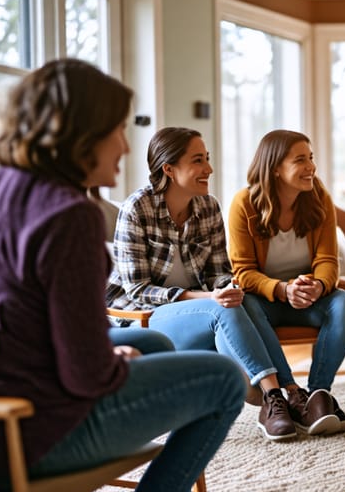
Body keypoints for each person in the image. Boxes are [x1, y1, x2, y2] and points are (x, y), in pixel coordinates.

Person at [0, 59, 245, 492]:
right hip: (24, 435)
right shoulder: (71, 216)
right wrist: (110, 363)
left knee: (154, 345)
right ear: (81, 136)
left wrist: (110, 355)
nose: (125, 147)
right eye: (117, 130)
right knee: (224, 379)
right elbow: (86, 376)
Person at [106, 127, 294, 441]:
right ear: (169, 169)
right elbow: (137, 290)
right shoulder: (136, 209)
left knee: (242, 301)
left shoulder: (208, 207)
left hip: (195, 314)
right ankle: (276, 395)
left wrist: (226, 287)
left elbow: (219, 272)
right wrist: (208, 296)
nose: (208, 169)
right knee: (219, 309)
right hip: (143, 319)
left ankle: (281, 395)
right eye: (198, 161)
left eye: (207, 159)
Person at [227, 129, 345, 439]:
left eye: (310, 158)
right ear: (274, 167)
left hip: (308, 299)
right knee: (242, 302)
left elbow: (328, 260)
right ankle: (289, 392)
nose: (311, 167)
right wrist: (282, 289)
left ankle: (317, 395)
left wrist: (319, 286)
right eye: (300, 160)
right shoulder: (244, 203)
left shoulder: (319, 199)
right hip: (265, 302)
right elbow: (242, 271)